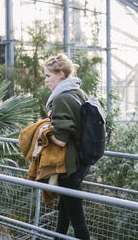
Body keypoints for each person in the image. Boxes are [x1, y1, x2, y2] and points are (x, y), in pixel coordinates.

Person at [44, 53, 90, 240]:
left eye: (48, 75)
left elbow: (61, 139)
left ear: (61, 74)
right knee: (64, 216)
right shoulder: (78, 92)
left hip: (69, 166)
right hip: (82, 162)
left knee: (78, 221)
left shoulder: (61, 98)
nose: (46, 80)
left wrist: (45, 131)